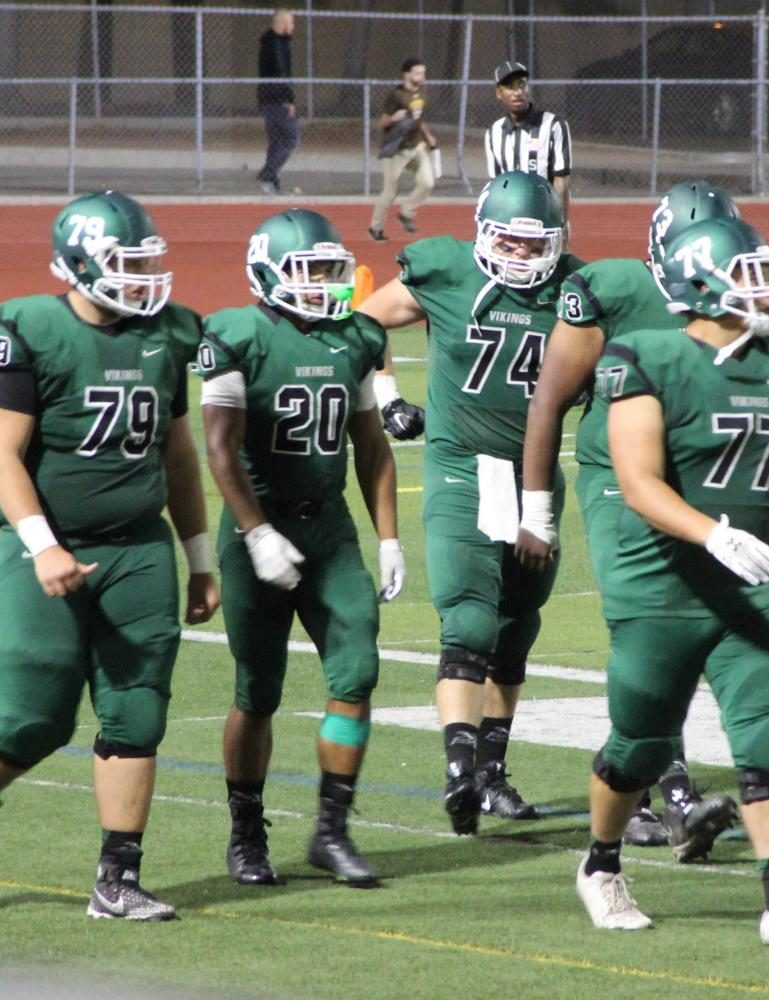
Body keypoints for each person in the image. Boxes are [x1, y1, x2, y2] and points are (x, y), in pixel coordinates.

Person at [0, 190, 220, 921]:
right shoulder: (29, 327)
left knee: (137, 712)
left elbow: (179, 453)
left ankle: (117, 880)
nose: (140, 279)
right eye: (124, 265)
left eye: (145, 262)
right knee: (36, 716)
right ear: (78, 263)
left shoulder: (169, 334)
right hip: (45, 547)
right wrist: (43, 545)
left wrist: (199, 555)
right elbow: (1, 453)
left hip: (138, 548)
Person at [575, 215, 769, 953]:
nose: (767, 287)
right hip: (665, 579)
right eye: (748, 273)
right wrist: (713, 533)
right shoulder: (647, 355)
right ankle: (600, 865)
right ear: (699, 282)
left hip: (758, 585)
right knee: (642, 743)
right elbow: (635, 481)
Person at [516, 181, 747, 860]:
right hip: (618, 484)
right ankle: (669, 796)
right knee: (651, 628)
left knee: (681, 636)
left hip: (692, 488)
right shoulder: (611, 286)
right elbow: (548, 401)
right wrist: (537, 511)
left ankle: (644, 786)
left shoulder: (735, 299)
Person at [358, 171, 582, 834]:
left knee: (518, 625)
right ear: (483, 233)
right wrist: (387, 398)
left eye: (528, 244)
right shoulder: (447, 271)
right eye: (505, 242)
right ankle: (459, 768)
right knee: (469, 619)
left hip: (535, 475)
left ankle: (492, 773)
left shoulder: (575, 287)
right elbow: (363, 323)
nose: (516, 255)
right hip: (462, 465)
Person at [198, 209, 404, 888]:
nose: (322, 283)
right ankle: (247, 834)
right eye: (307, 271)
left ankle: (331, 831)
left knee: (357, 673)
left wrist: (390, 537)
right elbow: (220, 449)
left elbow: (371, 445)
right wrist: (256, 533)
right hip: (258, 524)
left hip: (329, 528)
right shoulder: (236, 336)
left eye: (328, 268)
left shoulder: (357, 338)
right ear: (265, 274)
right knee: (257, 692)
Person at [484, 61, 573, 223]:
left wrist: (561, 224)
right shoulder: (493, 132)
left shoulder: (553, 125)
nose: (517, 92)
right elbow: (495, 183)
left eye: (521, 85)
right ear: (498, 93)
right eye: (510, 87)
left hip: (545, 216)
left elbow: (561, 180)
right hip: (508, 218)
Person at [368, 57, 437, 243]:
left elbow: (418, 119)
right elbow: (382, 123)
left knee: (427, 182)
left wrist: (427, 136)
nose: (421, 76)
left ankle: (406, 212)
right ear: (406, 74)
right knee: (391, 191)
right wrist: (393, 118)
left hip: (416, 146)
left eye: (423, 72)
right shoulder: (396, 95)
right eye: (417, 73)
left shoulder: (422, 93)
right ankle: (375, 227)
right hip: (396, 150)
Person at [256, 9, 299, 196]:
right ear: (282, 24)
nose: (293, 27)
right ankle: (268, 174)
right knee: (291, 138)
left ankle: (271, 179)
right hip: (276, 97)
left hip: (267, 97)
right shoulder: (276, 45)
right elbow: (281, 73)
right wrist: (289, 99)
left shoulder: (270, 43)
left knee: (276, 141)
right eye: (291, 23)